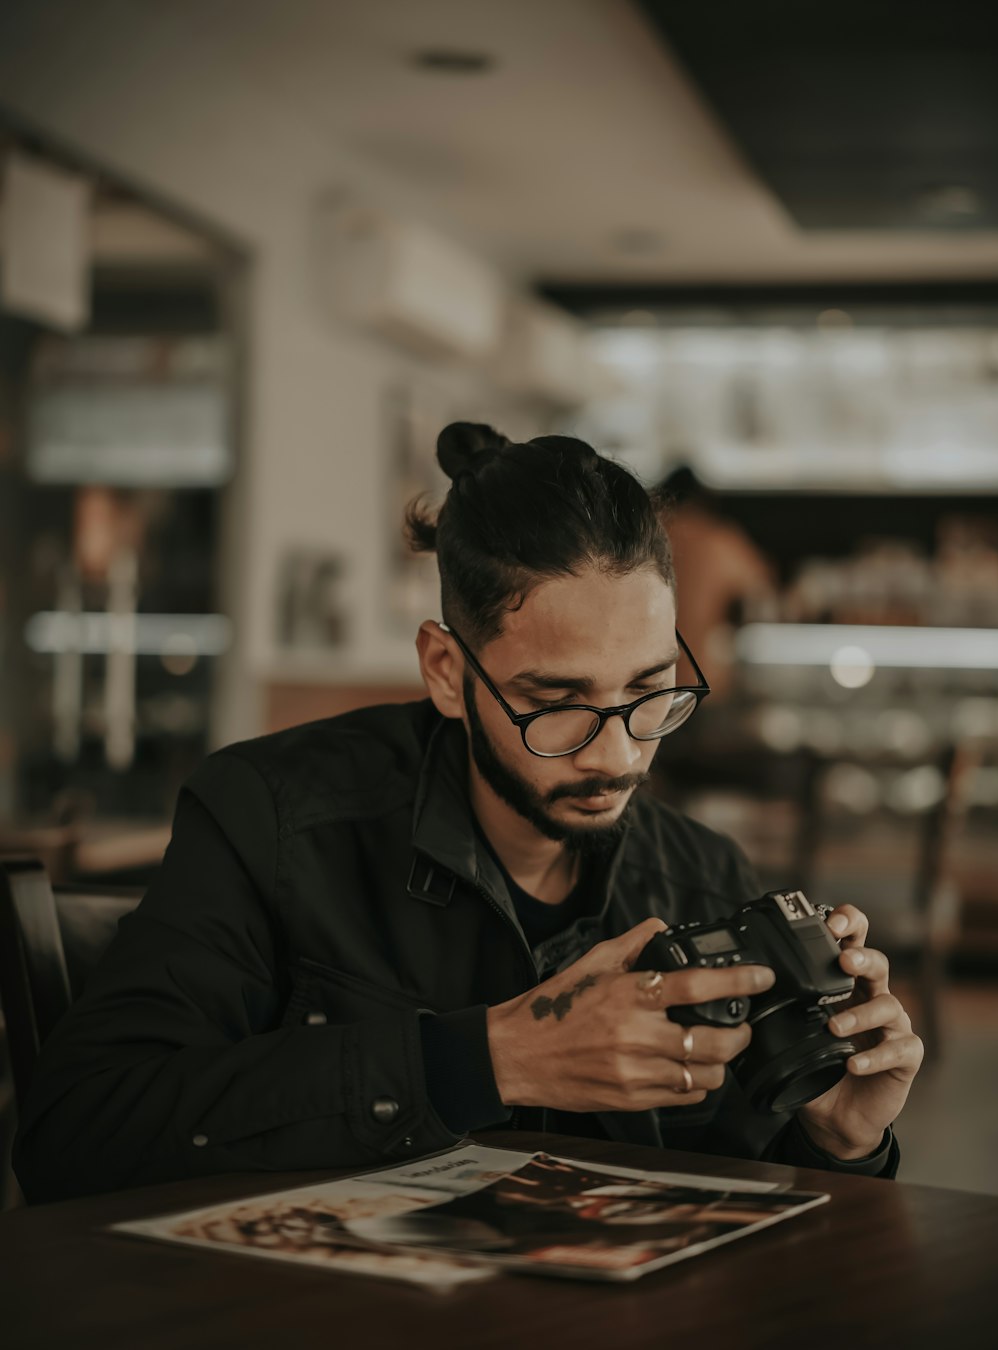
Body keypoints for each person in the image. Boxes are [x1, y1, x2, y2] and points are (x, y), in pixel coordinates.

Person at [14, 425, 921, 1202]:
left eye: (650, 691)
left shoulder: (703, 875)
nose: (617, 754)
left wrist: (837, 1144)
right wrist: (488, 1061)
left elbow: (744, 1214)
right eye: (557, 702)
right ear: (448, 673)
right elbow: (74, 1134)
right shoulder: (270, 821)